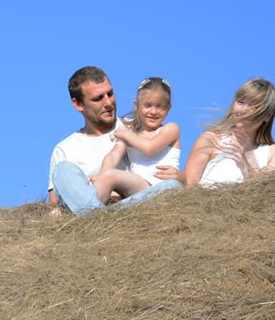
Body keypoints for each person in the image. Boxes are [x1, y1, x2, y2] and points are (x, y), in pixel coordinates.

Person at [48, 67, 181, 216]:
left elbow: (156, 152)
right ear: (78, 104)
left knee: (171, 186)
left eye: (110, 94)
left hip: (135, 201)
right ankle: (96, 213)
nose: (108, 102)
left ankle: (100, 216)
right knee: (63, 170)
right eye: (98, 98)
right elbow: (57, 202)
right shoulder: (65, 149)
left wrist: (181, 177)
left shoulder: (134, 128)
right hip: (93, 204)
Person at [182, 77, 275, 187]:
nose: (243, 110)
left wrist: (247, 160)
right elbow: (189, 184)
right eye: (241, 102)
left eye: (254, 106)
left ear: (267, 116)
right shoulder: (211, 138)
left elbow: (267, 193)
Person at [92, 77, 181, 203]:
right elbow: (113, 156)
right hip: (139, 188)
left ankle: (92, 210)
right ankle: (90, 210)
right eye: (148, 105)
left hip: (161, 187)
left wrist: (125, 134)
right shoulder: (131, 133)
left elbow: (149, 148)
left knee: (110, 176)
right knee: (109, 183)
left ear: (168, 108)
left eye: (159, 106)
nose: (153, 111)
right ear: (137, 105)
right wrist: (102, 176)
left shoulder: (170, 129)